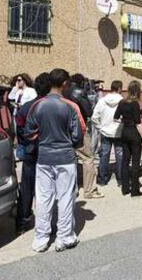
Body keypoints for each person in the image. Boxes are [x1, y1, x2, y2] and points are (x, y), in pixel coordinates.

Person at [26, 68, 84, 252]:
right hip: (65, 157)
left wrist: (43, 139)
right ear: (65, 84)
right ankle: (64, 237)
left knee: (43, 198)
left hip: (44, 157)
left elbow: (29, 133)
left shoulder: (38, 105)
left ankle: (41, 239)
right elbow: (78, 136)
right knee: (66, 197)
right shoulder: (70, 106)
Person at [15, 72, 51, 234]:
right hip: (47, 152)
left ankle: (22, 221)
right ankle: (46, 224)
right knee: (47, 189)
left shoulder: (26, 106)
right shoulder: (53, 106)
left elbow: (20, 128)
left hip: (30, 150)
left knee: (27, 186)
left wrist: (26, 143)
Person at [64, 73, 103, 199]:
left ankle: (72, 189)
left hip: (64, 128)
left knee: (70, 158)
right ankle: (89, 190)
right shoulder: (79, 92)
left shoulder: (63, 92)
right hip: (79, 128)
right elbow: (89, 112)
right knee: (88, 158)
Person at [114, 80, 142, 196]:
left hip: (125, 132)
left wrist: (125, 119)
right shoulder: (135, 103)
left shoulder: (122, 102)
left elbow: (116, 117)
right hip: (134, 133)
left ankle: (125, 188)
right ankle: (135, 190)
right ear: (138, 91)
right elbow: (138, 123)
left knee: (125, 161)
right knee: (136, 162)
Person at [92, 80, 124, 186]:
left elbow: (94, 117)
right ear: (119, 89)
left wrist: (100, 128)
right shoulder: (122, 101)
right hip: (119, 131)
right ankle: (120, 179)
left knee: (104, 155)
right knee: (120, 155)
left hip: (105, 131)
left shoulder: (102, 100)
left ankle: (102, 179)